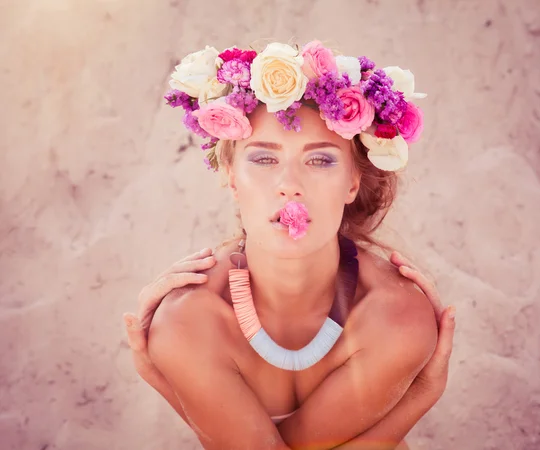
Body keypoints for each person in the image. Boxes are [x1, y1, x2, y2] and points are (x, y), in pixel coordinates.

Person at [123, 41, 457, 449]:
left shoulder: (397, 315)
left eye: (320, 160)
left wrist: (162, 380)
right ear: (230, 177)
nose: (289, 187)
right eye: (263, 159)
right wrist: (421, 395)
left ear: (353, 182)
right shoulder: (187, 320)